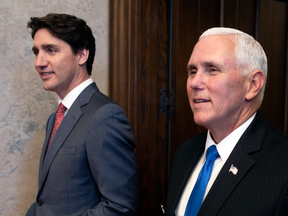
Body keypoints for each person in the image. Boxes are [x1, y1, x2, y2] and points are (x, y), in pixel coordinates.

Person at [25, 13, 139, 216]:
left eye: (51, 50)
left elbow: (120, 208)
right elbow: (47, 203)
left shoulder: (105, 115)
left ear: (82, 55)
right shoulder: (55, 118)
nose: (39, 62)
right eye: (36, 52)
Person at [166, 27, 288, 216]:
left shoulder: (282, 164)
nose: (194, 83)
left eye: (212, 70)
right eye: (192, 71)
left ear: (253, 85)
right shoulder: (186, 152)